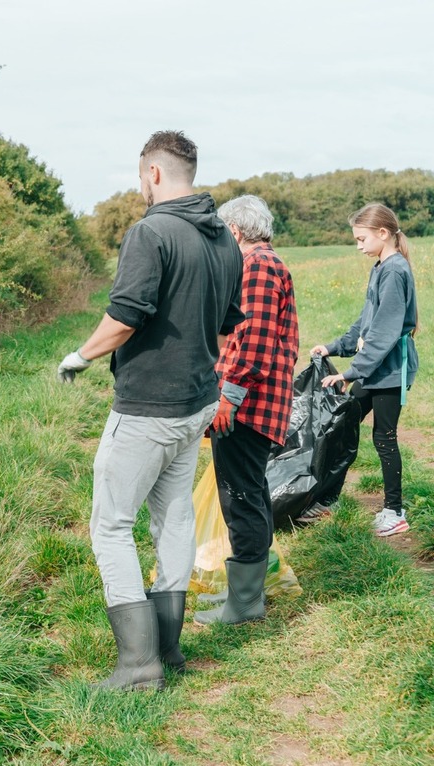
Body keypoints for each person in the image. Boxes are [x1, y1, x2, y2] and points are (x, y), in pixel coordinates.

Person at [56, 131, 243, 690]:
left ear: (154, 174)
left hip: (149, 408)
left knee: (111, 525)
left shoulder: (150, 231)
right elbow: (227, 320)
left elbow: (126, 316)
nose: (140, 186)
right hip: (196, 404)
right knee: (175, 518)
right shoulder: (225, 240)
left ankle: (138, 665)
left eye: (141, 177)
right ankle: (169, 648)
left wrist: (81, 355)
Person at [195, 195, 298, 625]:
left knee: (241, 498)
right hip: (256, 403)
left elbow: (253, 344)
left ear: (235, 231)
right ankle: (247, 596)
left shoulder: (257, 266)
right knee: (247, 492)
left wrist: (227, 399)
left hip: (248, 406)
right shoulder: (268, 263)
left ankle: (245, 604)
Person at [302, 203, 419, 536]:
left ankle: (394, 512)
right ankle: (328, 498)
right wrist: (335, 346)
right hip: (375, 369)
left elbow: (383, 332)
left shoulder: (395, 270)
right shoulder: (380, 267)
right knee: (345, 423)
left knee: (384, 437)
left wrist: (349, 372)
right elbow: (366, 321)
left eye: (361, 238)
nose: (358, 246)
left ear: (382, 233)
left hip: (390, 370)